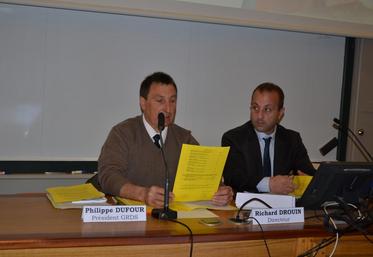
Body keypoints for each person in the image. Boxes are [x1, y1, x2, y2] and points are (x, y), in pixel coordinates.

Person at [98, 71, 233, 208]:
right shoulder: (123, 133)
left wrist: (222, 191)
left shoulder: (184, 138)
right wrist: (142, 194)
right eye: (160, 101)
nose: (168, 109)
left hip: (175, 219)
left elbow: (206, 178)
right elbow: (108, 175)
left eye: (172, 101)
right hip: (132, 217)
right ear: (143, 103)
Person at [222, 82, 315, 195]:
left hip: (281, 208)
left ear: (280, 113)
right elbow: (234, 178)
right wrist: (269, 184)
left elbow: (308, 174)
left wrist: (307, 181)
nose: (259, 116)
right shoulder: (233, 138)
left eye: (267, 109)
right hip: (246, 208)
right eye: (255, 108)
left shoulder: (292, 139)